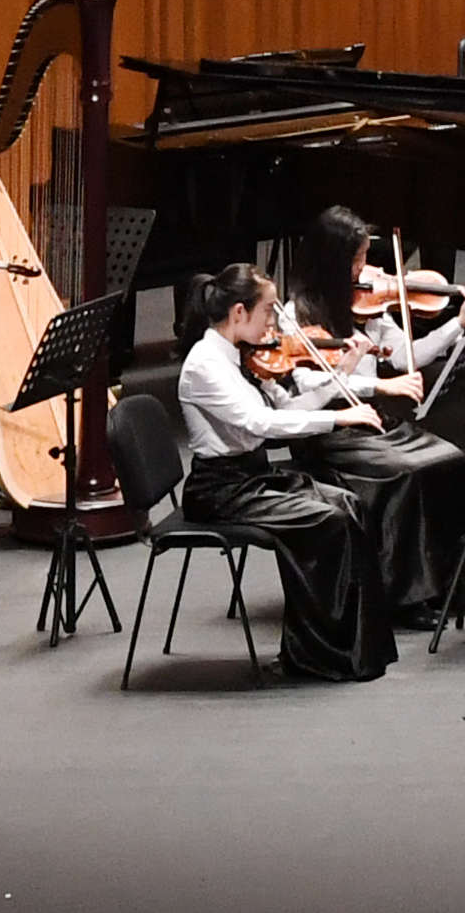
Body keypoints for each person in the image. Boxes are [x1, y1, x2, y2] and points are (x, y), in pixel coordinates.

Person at [169, 261, 407, 680]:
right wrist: (339, 419)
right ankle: (312, 654)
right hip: (221, 490)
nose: (274, 323)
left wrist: (341, 375)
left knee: (348, 504)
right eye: (268, 311)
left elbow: (291, 408)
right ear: (239, 313)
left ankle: (352, 647)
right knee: (327, 520)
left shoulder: (244, 356)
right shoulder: (204, 366)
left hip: (252, 477)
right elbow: (260, 424)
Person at [284, 209, 465, 629]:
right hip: (331, 428)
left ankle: (456, 583)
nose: (365, 270)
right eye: (356, 260)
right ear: (331, 262)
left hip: (373, 422)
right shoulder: (296, 314)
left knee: (451, 460)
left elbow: (407, 357)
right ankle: (407, 596)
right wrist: (376, 384)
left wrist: (461, 320)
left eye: (364, 257)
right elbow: (309, 383)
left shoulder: (369, 308)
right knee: (406, 474)